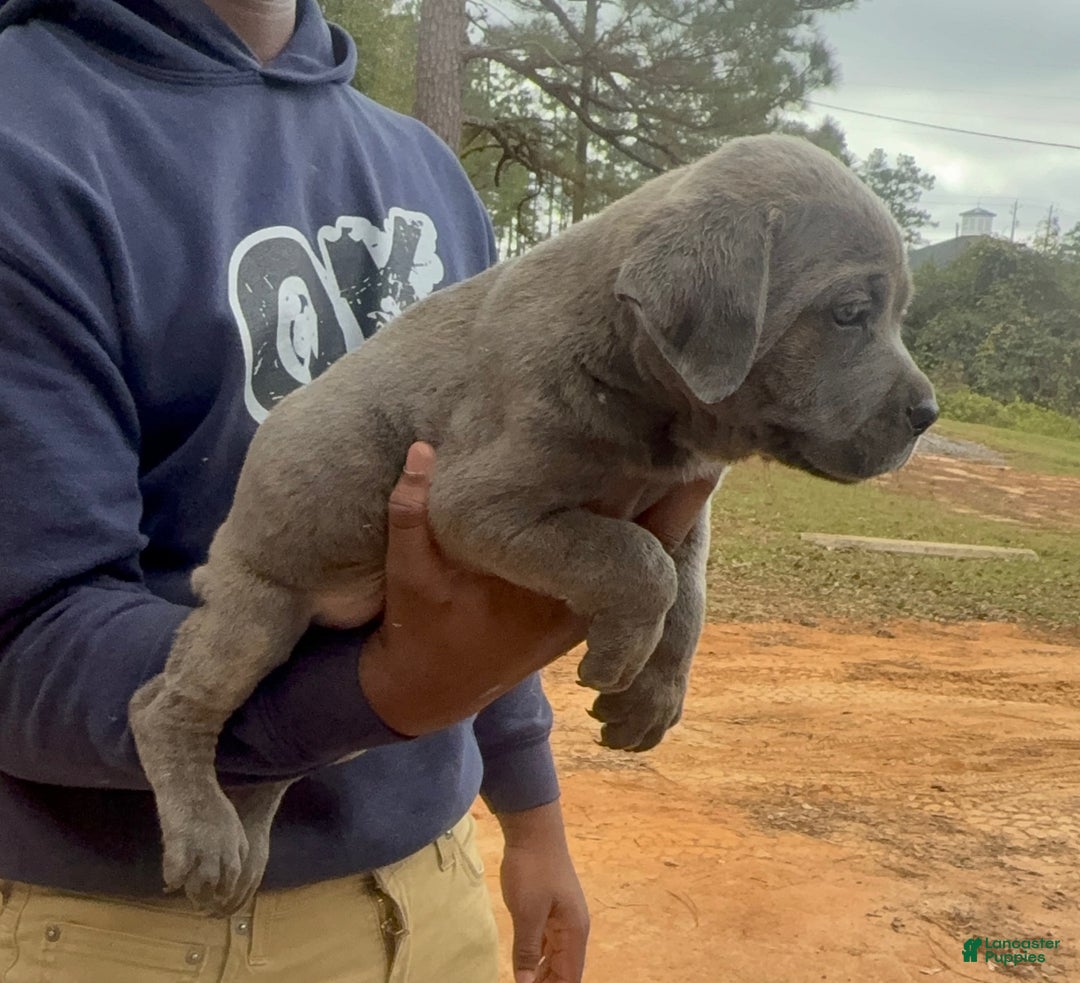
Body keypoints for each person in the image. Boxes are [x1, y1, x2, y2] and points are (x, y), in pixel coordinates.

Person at [0, 0, 712, 980]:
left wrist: (531, 816)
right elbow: (23, 634)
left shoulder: (423, 169)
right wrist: (397, 687)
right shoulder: (26, 139)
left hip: (434, 883)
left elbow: (487, 545)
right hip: (129, 925)